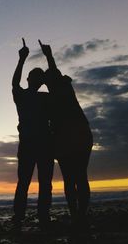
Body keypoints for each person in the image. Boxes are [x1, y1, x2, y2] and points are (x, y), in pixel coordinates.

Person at [39, 40, 93, 229]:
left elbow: (53, 71)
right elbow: (53, 72)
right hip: (71, 136)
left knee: (75, 178)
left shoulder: (62, 87)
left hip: (76, 134)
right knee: (74, 178)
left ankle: (79, 215)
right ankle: (77, 215)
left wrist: (49, 56)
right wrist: (48, 56)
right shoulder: (57, 92)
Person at [12, 38, 54, 227]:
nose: (36, 80)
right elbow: (15, 83)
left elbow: (15, 83)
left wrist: (24, 59)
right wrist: (22, 59)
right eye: (35, 77)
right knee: (29, 183)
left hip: (42, 145)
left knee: (38, 183)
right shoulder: (27, 96)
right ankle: (26, 216)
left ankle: (38, 216)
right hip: (33, 145)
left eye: (38, 78)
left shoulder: (46, 98)